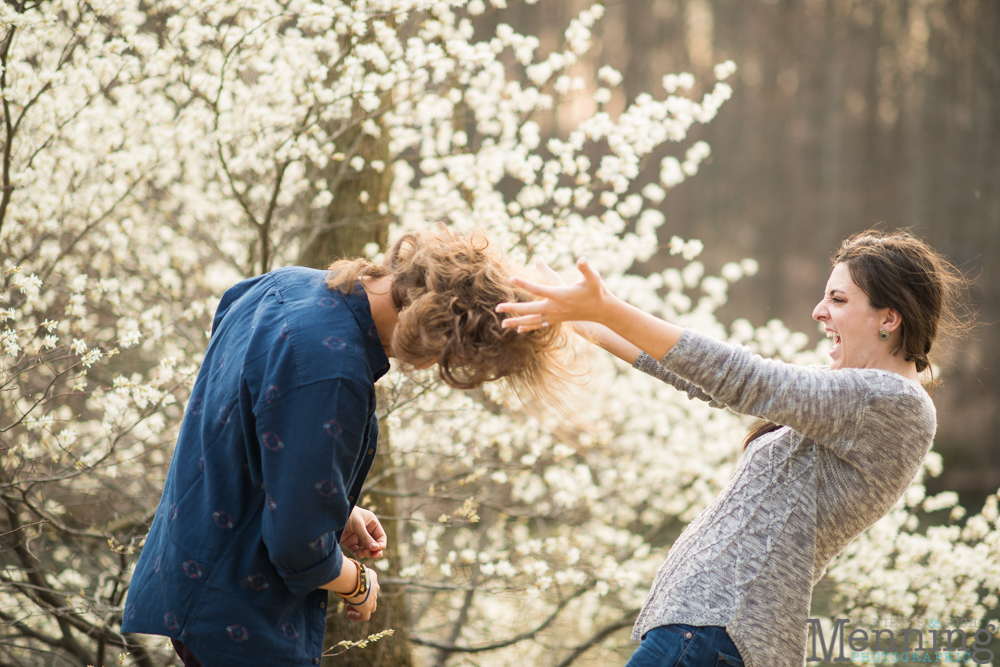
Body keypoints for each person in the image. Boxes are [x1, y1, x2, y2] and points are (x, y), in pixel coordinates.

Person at [496, 230, 969, 667]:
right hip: (707, 630)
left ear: (889, 318)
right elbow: (703, 380)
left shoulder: (892, 403)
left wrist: (606, 308)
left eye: (838, 299)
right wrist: (584, 320)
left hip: (714, 630)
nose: (818, 311)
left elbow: (743, 378)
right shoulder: (856, 397)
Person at [122, 228, 564, 667]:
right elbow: (298, 546)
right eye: (454, 359)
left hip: (186, 565)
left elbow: (249, 411)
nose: (436, 367)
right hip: (237, 612)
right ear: (441, 330)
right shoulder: (337, 371)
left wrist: (332, 503)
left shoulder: (285, 283)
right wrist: (357, 583)